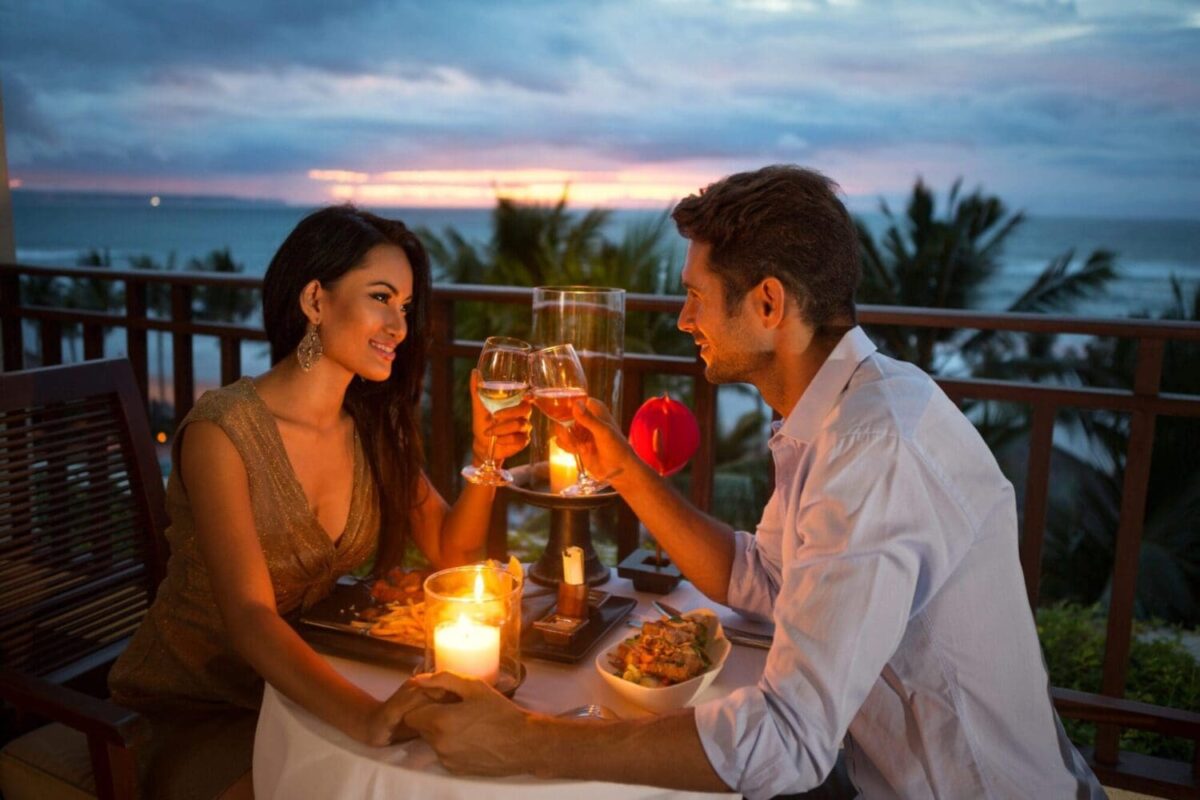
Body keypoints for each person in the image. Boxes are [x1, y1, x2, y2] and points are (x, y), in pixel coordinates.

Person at [403, 166, 1105, 798]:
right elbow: (765, 579)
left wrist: (528, 739)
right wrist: (621, 465)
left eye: (696, 298)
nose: (683, 321)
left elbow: (788, 741)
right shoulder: (839, 412)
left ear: (768, 304)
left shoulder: (874, 449)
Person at [108, 205, 532, 799]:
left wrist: (488, 458)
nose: (399, 327)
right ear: (315, 300)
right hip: (191, 705)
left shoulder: (372, 425)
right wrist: (367, 715)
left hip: (299, 691)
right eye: (381, 298)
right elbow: (250, 618)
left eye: (406, 307)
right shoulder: (223, 432)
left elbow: (451, 553)